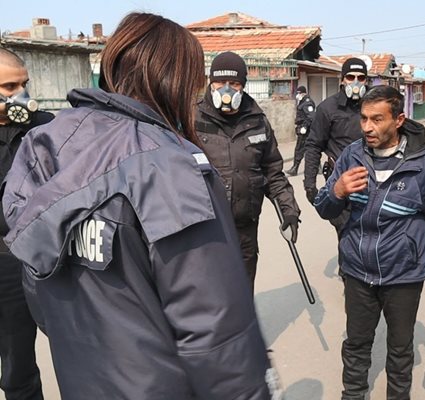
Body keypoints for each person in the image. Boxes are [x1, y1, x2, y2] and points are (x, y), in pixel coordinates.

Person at [2, 13, 273, 399]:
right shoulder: (172, 166)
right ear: (177, 81)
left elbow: (36, 280)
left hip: (82, 375)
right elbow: (214, 327)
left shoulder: (45, 143)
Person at [313, 85, 425, 400]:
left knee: (399, 349)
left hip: (403, 274)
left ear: (398, 120)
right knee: (356, 344)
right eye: (364, 118)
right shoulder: (352, 155)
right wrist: (337, 190)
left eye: (377, 119)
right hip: (357, 271)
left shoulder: (424, 163)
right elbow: (325, 208)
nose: (367, 127)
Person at [195, 51, 300, 293]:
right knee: (206, 298)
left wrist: (289, 211)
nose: (227, 89)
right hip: (205, 229)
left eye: (234, 83)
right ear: (211, 83)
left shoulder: (257, 120)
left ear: (243, 86)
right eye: (220, 83)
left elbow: (273, 173)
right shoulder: (191, 118)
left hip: (245, 229)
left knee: (241, 295)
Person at [0, 47, 52, 400]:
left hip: (26, 260)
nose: (21, 95)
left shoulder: (47, 129)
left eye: (24, 84)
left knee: (20, 367)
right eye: (9, 87)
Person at [303, 57, 368, 235]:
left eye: (361, 78)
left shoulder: (372, 106)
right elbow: (313, 146)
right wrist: (310, 185)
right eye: (350, 77)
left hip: (370, 183)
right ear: (342, 79)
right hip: (340, 183)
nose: (355, 82)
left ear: (366, 81)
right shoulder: (327, 109)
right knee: (347, 236)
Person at [285, 85, 315, 176]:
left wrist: (305, 127)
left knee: (299, 149)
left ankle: (295, 168)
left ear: (303, 93)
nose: (297, 95)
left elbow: (311, 117)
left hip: (305, 131)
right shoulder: (302, 102)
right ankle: (318, 167)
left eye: (298, 93)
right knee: (309, 149)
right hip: (302, 129)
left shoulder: (307, 103)